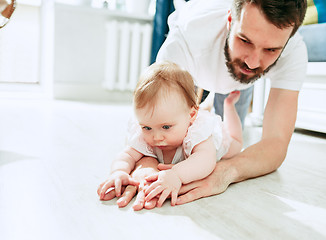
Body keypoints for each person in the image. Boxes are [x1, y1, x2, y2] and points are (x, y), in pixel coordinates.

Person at [101, 0, 308, 209]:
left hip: (239, 85)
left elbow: (276, 143)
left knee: (232, 133)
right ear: (230, 20)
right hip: (198, 55)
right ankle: (207, 103)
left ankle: (214, 102)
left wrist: (225, 172)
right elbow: (155, 121)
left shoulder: (294, 50)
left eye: (271, 50)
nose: (253, 62)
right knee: (178, 124)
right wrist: (146, 167)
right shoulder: (187, 38)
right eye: (245, 40)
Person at [98, 61, 244, 209]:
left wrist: (177, 175)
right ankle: (209, 103)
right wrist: (119, 171)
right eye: (147, 127)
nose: (156, 137)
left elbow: (205, 161)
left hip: (221, 142)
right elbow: (127, 155)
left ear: (191, 116)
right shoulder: (147, 131)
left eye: (166, 127)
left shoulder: (198, 133)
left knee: (236, 144)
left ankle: (229, 106)